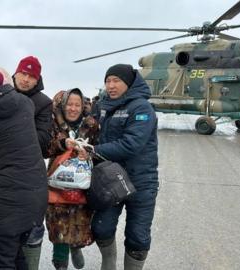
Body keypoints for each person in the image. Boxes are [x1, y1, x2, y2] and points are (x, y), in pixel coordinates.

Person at [0, 56, 53, 270]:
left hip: (24, 175)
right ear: (15, 74)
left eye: (32, 76)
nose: (26, 79)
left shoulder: (42, 103)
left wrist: (10, 139)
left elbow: (44, 141)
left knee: (20, 236)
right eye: (23, 74)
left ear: (38, 80)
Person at [90, 64, 159, 270]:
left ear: (128, 83)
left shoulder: (141, 108)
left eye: (116, 81)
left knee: (138, 236)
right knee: (101, 227)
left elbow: (131, 145)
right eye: (108, 81)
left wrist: (93, 149)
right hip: (110, 180)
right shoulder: (101, 106)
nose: (111, 86)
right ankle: (108, 262)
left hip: (141, 181)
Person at [45, 88, 99, 270]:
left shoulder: (91, 124)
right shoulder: (53, 123)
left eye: (77, 105)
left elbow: (99, 148)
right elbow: (44, 147)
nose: (73, 108)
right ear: (63, 104)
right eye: (70, 104)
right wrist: (62, 144)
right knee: (58, 225)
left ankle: (76, 247)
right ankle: (60, 263)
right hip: (57, 181)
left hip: (81, 183)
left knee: (79, 222)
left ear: (83, 106)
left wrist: (89, 154)